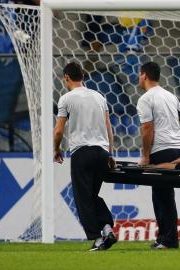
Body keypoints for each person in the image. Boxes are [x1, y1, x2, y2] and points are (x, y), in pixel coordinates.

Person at [136, 61, 180, 249]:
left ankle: (169, 240)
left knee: (162, 196)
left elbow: (147, 129)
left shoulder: (145, 99)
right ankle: (163, 237)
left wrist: (145, 156)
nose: (138, 78)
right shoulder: (169, 95)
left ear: (144, 75)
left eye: (139, 74)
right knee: (161, 195)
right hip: (179, 148)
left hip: (162, 149)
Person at [53, 62, 117, 251]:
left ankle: (97, 238)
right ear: (83, 76)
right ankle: (106, 228)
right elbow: (108, 126)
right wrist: (110, 152)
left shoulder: (66, 99)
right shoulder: (99, 96)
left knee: (83, 198)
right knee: (91, 195)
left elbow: (58, 131)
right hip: (101, 152)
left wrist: (56, 149)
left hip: (82, 152)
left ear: (66, 77)